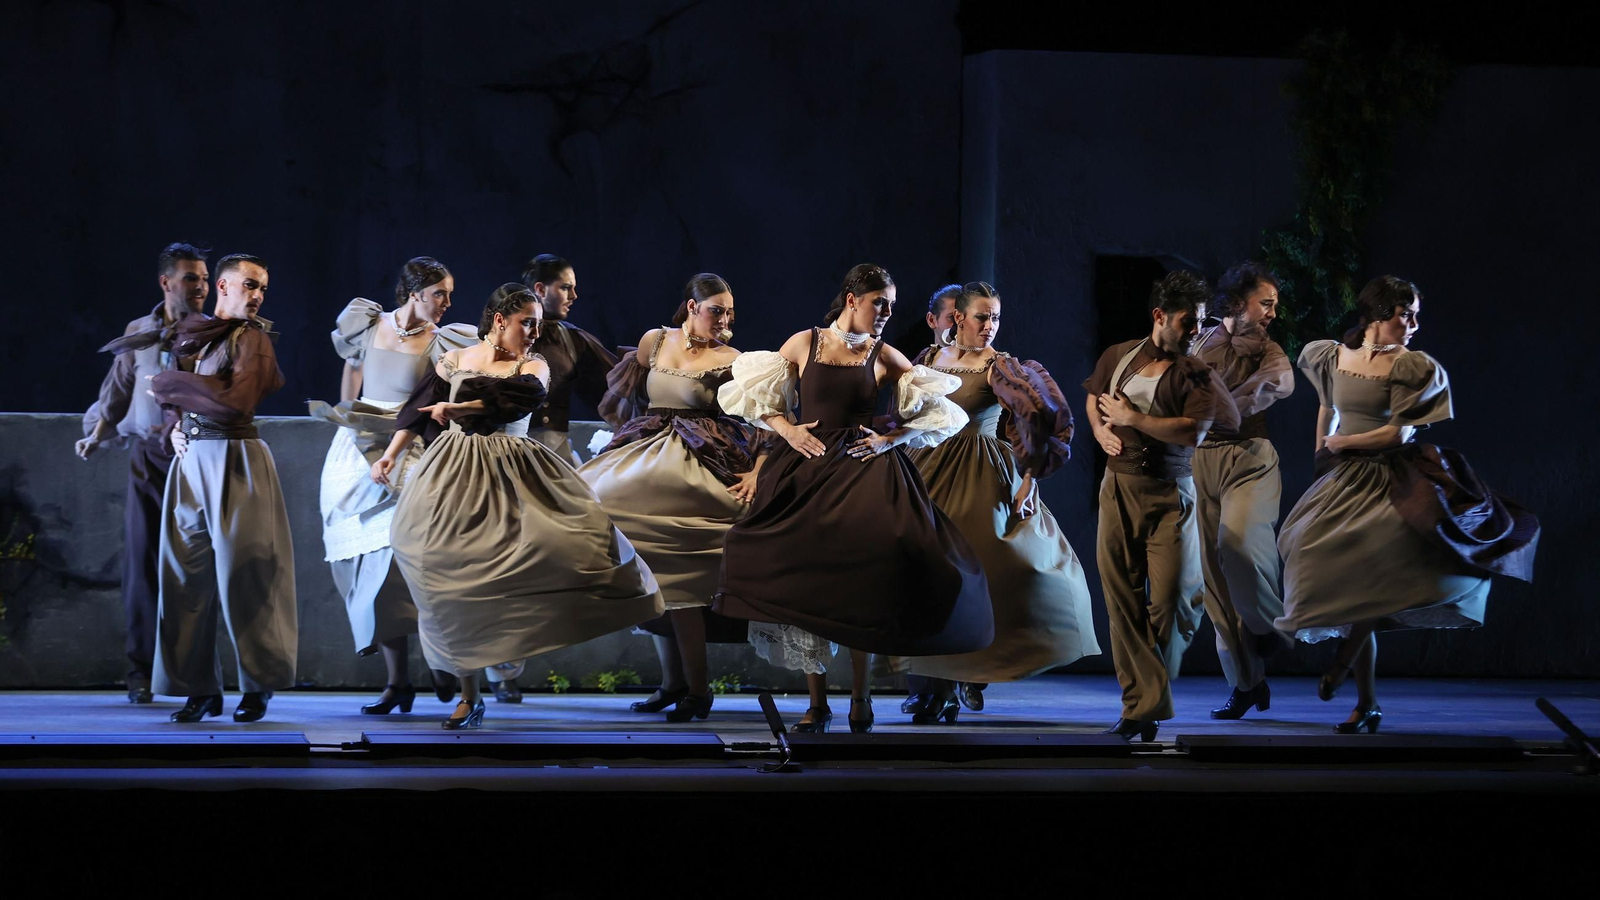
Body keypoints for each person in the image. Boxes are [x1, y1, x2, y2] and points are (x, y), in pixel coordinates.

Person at [715, 264, 992, 734]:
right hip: (805, 469)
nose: (886, 312)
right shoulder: (805, 342)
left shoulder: (884, 355)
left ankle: (860, 700)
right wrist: (787, 430)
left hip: (864, 471)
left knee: (864, 580)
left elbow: (942, 412)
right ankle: (818, 704)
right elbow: (758, 400)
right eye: (879, 302)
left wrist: (891, 440)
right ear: (852, 300)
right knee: (804, 577)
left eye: (891, 305)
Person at [376, 284, 663, 729]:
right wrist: (392, 453)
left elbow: (518, 399)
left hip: (512, 470)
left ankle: (508, 656)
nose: (534, 331)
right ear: (499, 320)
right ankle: (468, 691)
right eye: (526, 322)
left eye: (538, 324)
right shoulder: (455, 359)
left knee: (558, 548)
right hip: (452, 470)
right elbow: (418, 407)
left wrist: (459, 406)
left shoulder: (535, 365)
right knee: (439, 562)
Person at [1276, 276, 1539, 733]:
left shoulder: (1413, 366)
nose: (1414, 323)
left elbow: (1399, 433)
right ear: (1379, 314)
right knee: (1314, 555)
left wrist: (1343, 444)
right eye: (1405, 313)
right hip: (1342, 479)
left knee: (1377, 581)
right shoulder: (1333, 355)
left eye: (1415, 313)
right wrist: (1323, 451)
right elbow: (1326, 405)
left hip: (1392, 478)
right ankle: (1367, 700)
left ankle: (1349, 675)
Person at [890, 282, 1100, 724]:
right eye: (982, 317)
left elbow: (1041, 416)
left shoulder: (999, 366)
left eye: (996, 318)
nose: (990, 326)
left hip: (976, 471)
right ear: (958, 318)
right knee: (918, 574)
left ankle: (964, 675)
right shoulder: (929, 360)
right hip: (922, 468)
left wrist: (1029, 477)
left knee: (984, 570)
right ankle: (932, 686)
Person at [579, 273, 763, 722]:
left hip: (702, 457)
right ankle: (674, 683)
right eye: (716, 310)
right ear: (691, 308)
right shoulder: (655, 342)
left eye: (730, 311)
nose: (725, 319)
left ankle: (698, 689)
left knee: (680, 571)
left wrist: (757, 471)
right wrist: (623, 439)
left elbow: (762, 420)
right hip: (651, 448)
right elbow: (629, 398)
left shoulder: (734, 358)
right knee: (606, 519)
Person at [308, 257, 476, 713]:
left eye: (448, 293)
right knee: (365, 569)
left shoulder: (444, 342)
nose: (447, 302)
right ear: (414, 293)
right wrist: (349, 424)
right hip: (357, 446)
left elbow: (438, 404)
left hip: (408, 449)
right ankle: (397, 680)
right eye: (439, 293)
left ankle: (441, 662)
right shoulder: (368, 322)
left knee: (409, 563)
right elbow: (352, 385)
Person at [1083, 270, 1238, 741]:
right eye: (1188, 321)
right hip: (1119, 488)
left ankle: (1148, 699)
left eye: (1202, 321)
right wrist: (1100, 429)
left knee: (1174, 601)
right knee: (1122, 600)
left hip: (1171, 492)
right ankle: (1140, 707)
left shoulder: (1197, 373)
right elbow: (1094, 397)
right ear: (1160, 316)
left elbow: (1193, 431)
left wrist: (1132, 417)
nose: (1196, 330)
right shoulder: (1120, 355)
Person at [149, 254, 298, 723]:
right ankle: (199, 688)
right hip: (191, 462)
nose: (257, 296)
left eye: (264, 289)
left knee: (246, 576)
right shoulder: (195, 332)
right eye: (250, 285)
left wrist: (170, 384)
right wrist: (173, 422)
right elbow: (176, 403)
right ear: (225, 286)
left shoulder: (253, 340)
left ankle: (257, 686)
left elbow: (236, 404)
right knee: (183, 577)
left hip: (236, 461)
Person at [483, 254, 621, 702]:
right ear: (540, 290)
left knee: (574, 548)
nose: (574, 295)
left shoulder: (570, 339)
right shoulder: (491, 340)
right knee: (501, 559)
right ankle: (500, 671)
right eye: (565, 286)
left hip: (553, 452)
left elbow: (613, 388)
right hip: (502, 455)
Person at [77, 242, 210, 703]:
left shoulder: (213, 332)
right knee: (141, 563)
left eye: (206, 279)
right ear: (166, 282)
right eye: (191, 278)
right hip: (148, 458)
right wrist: (97, 432)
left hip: (198, 458)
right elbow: (118, 388)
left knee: (196, 567)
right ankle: (140, 671)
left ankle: (194, 673)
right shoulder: (141, 331)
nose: (201, 287)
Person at [1191, 262, 1296, 719]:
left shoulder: (1269, 350)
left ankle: (1269, 626)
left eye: (1274, 304)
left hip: (1249, 458)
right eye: (1266, 303)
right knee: (1215, 584)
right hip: (1198, 463)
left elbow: (1272, 387)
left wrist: (1215, 404)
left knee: (1239, 545)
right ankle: (1248, 684)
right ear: (1237, 303)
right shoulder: (1198, 342)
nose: (1273, 312)